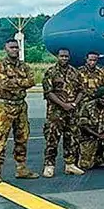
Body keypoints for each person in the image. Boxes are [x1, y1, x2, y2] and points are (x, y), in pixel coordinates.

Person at [0, 38, 39, 183]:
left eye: (17, 47)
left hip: (20, 105)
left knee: (22, 136)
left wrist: (15, 83)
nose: (15, 50)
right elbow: (4, 83)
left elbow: (31, 81)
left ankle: (21, 168)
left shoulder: (24, 66)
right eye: (12, 47)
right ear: (6, 49)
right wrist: (20, 83)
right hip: (4, 106)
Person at [41, 47, 85, 178]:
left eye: (66, 56)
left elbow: (81, 90)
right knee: (52, 138)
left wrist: (74, 104)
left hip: (72, 111)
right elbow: (48, 92)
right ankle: (49, 165)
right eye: (62, 56)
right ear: (57, 57)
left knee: (71, 138)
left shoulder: (75, 72)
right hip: (55, 112)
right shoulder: (51, 72)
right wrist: (63, 105)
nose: (64, 58)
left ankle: (70, 164)